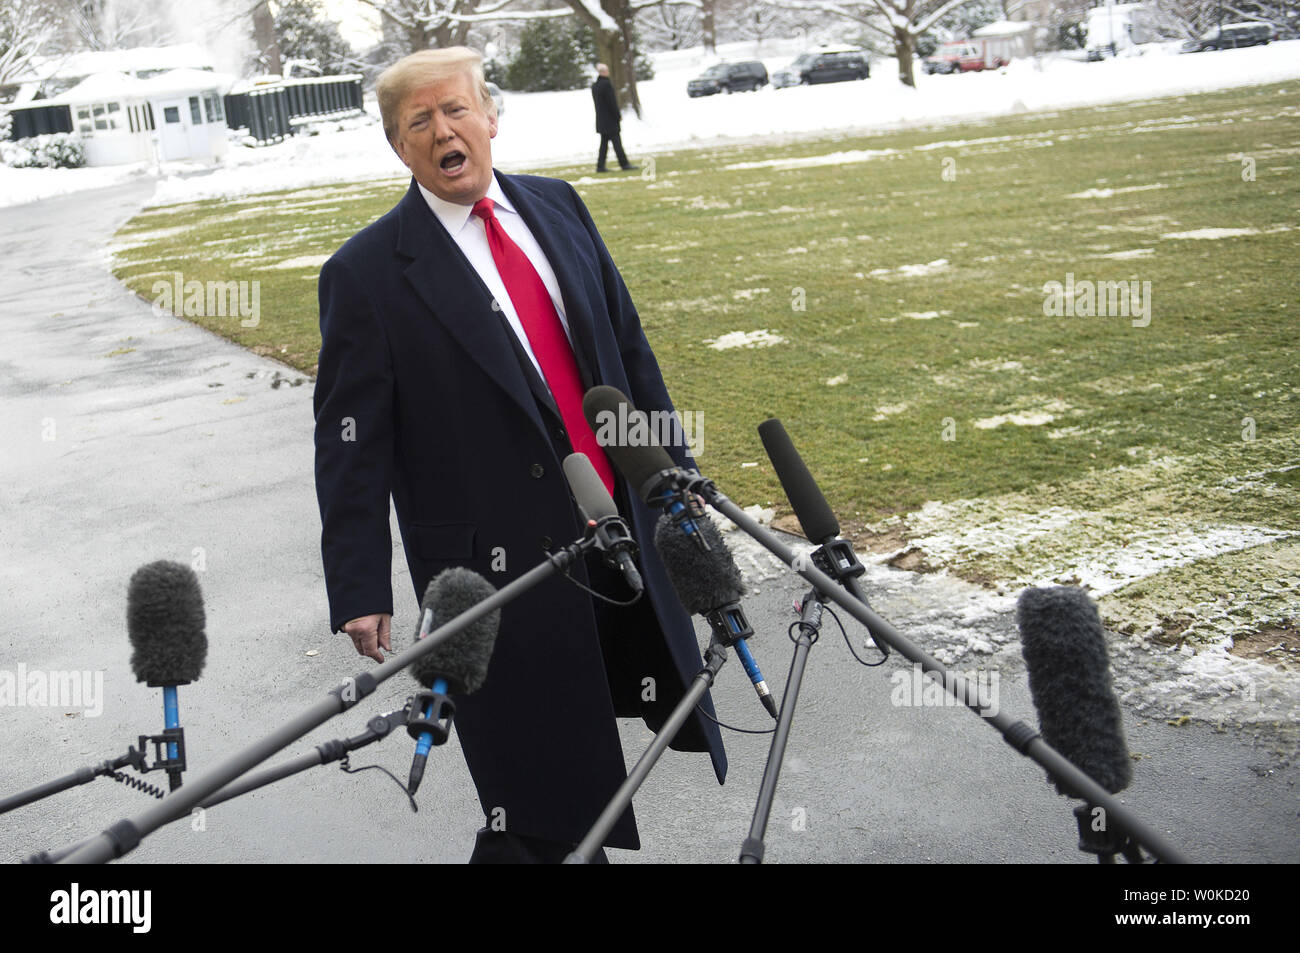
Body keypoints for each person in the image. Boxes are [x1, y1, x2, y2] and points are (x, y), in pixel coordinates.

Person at [312, 47, 726, 864]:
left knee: (594, 764)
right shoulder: (365, 274)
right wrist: (360, 586)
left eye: (455, 109)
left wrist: (673, 483)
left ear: (490, 117)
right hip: (500, 573)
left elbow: (627, 355)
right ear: (399, 148)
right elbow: (350, 442)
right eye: (418, 122)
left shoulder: (558, 206)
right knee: (538, 796)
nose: (442, 131)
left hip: (621, 531)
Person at [591, 63, 634, 173]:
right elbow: (611, 102)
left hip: (601, 120)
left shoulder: (595, 86)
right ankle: (624, 164)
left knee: (604, 146)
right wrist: (618, 115)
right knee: (617, 144)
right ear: (604, 72)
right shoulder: (606, 85)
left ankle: (600, 166)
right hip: (610, 120)